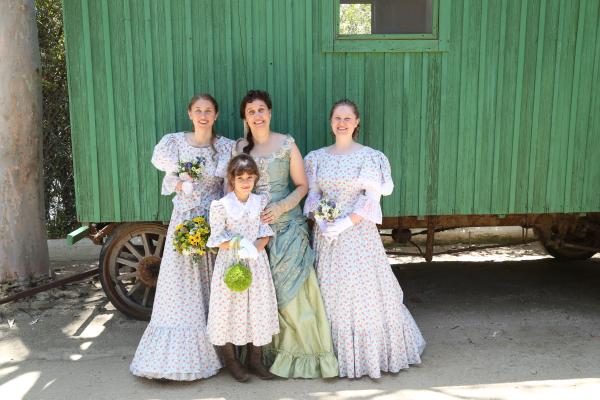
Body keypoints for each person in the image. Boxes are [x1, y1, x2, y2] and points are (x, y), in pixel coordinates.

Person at [303, 99, 426, 379]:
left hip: (358, 237)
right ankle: (333, 356)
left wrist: (345, 223)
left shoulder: (369, 157)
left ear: (357, 122)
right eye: (337, 118)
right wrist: (322, 219)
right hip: (327, 238)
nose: (342, 123)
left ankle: (370, 356)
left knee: (361, 296)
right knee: (331, 294)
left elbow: (371, 200)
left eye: (348, 118)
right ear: (331, 121)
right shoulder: (316, 158)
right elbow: (313, 195)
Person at [234, 90, 338, 379]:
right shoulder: (242, 150)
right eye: (251, 111)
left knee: (292, 291)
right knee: (260, 294)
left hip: (288, 225)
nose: (257, 115)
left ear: (270, 113)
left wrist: (281, 207)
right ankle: (261, 355)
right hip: (255, 229)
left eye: (262, 109)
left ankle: (301, 354)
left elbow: (302, 186)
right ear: (245, 116)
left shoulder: (287, 144)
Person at [130, 93, 234, 380]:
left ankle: (219, 349)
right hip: (184, 221)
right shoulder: (174, 143)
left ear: (216, 115)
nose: (203, 116)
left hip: (212, 221)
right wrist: (180, 183)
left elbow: (228, 186)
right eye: (198, 110)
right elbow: (170, 178)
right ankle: (178, 354)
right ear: (190, 113)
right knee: (183, 284)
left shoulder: (224, 147)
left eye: (208, 111)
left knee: (211, 282)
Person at [206, 154, 279, 382]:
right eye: (241, 178)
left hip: (255, 263)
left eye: (250, 177)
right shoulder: (221, 206)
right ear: (232, 179)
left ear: (255, 179)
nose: (246, 182)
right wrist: (240, 244)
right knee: (229, 310)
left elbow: (265, 233)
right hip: (231, 262)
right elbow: (217, 238)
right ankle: (232, 361)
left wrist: (255, 248)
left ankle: (255, 360)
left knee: (255, 309)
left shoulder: (259, 202)